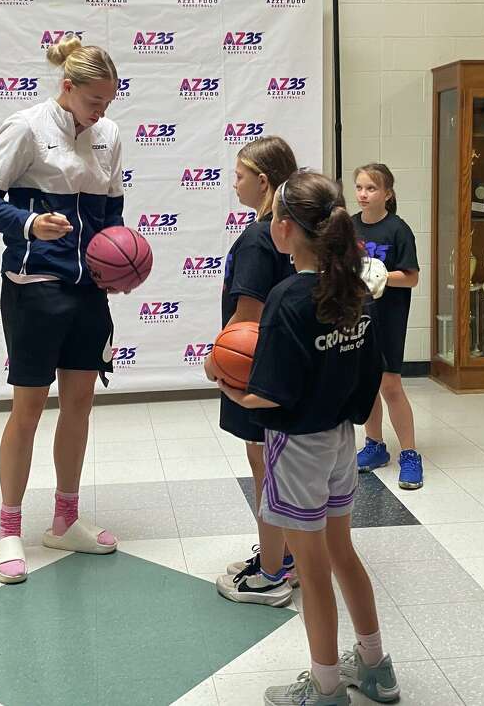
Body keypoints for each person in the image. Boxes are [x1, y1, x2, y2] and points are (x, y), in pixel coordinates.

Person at [218, 171, 399, 706]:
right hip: (341, 439)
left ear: (285, 229)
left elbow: (269, 394)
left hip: (297, 447)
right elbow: (369, 378)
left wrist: (227, 385)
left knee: (313, 570)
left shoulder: (287, 298)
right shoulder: (355, 288)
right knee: (343, 553)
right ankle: (375, 668)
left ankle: (324, 687)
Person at [0, 35, 124, 584]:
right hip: (34, 286)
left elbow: (112, 219)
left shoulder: (109, 136)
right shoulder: (26, 126)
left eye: (108, 100)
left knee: (78, 405)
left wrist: (119, 267)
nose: (102, 110)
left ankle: (65, 519)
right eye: (94, 100)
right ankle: (9, 529)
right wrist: (29, 223)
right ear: (68, 86)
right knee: (28, 409)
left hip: (88, 292)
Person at [205, 136, 298, 607]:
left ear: (263, 181)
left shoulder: (258, 238)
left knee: (264, 466)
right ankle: (281, 554)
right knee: (276, 464)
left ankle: (273, 571)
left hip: (256, 374)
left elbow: (247, 318)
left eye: (239, 175)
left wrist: (215, 358)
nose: (233, 182)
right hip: (286, 370)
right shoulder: (290, 232)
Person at [349, 163, 422, 488]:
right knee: (365, 382)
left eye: (372, 188)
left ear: (387, 194)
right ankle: (375, 444)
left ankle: (409, 454)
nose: (364, 194)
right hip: (357, 315)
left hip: (389, 316)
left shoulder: (398, 229)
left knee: (390, 384)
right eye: (360, 187)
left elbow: (412, 278)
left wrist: (380, 276)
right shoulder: (348, 227)